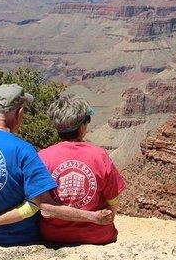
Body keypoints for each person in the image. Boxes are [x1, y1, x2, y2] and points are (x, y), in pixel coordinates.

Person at [0, 84, 113, 246]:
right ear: (20, 113)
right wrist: (94, 217)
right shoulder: (24, 150)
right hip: (21, 238)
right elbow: (43, 205)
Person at [38, 95, 125, 244]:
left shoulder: (42, 157)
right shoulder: (99, 155)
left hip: (54, 235)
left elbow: (41, 204)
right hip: (97, 235)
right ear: (82, 127)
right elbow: (113, 200)